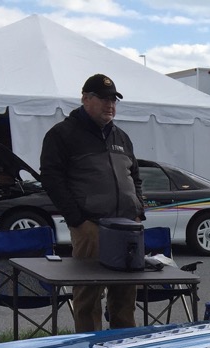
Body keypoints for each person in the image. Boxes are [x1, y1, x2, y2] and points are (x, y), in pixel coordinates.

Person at [40, 73, 145, 331]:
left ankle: (123, 347)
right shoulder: (62, 134)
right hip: (91, 227)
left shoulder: (121, 136)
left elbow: (135, 176)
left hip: (127, 229)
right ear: (85, 99)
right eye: (104, 99)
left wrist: (138, 211)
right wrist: (78, 220)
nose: (110, 105)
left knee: (125, 299)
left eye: (114, 100)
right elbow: (52, 180)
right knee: (88, 297)